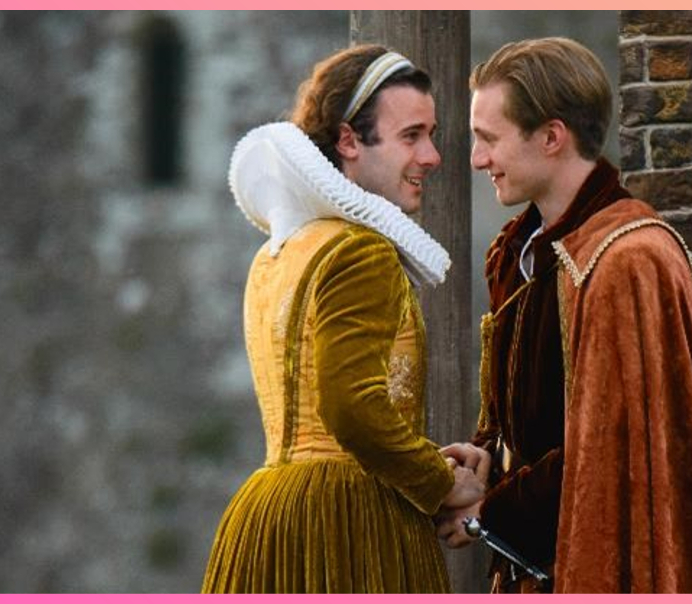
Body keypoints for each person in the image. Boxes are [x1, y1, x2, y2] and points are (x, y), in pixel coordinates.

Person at [435, 37, 692, 593]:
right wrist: (486, 461)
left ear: (552, 137)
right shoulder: (519, 254)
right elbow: (537, 419)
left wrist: (495, 511)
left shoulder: (628, 260)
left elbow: (610, 456)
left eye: (489, 139)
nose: (477, 159)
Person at [202, 45, 489, 594]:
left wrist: (421, 461)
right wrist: (438, 485)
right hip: (347, 523)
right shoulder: (361, 252)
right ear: (348, 140)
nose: (431, 156)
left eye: (430, 135)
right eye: (411, 136)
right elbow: (349, 406)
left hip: (268, 511)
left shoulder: (278, 255)